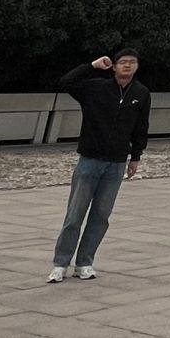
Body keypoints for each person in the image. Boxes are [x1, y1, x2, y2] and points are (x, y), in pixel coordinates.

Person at [49, 49, 149, 282]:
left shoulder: (141, 93)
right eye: (122, 62)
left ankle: (85, 262)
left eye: (132, 62)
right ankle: (61, 263)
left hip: (116, 163)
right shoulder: (95, 88)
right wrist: (91, 66)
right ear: (113, 66)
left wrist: (136, 156)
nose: (127, 65)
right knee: (75, 215)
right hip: (90, 159)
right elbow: (66, 82)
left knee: (101, 216)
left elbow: (141, 126)